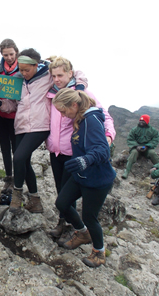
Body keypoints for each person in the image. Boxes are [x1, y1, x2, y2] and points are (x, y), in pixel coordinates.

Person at [45, 56, 116, 243]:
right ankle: (64, 222)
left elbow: (104, 116)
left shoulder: (82, 94)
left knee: (69, 194)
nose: (57, 79)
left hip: (72, 152)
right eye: (53, 76)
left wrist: (108, 136)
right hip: (56, 151)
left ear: (71, 74)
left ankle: (74, 228)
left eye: (60, 75)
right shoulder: (53, 94)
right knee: (61, 192)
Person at [52, 88, 116, 268]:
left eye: (64, 111)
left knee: (90, 217)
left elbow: (103, 150)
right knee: (62, 203)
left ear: (74, 104)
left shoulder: (91, 121)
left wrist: (85, 160)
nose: (63, 115)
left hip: (97, 179)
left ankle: (99, 252)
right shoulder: (80, 119)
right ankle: (82, 233)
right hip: (82, 175)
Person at [9, 48, 52, 214]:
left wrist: (80, 84)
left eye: (27, 69)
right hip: (21, 127)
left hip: (39, 126)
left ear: (36, 65)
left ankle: (17, 195)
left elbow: (74, 72)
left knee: (18, 158)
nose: (24, 73)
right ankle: (35, 202)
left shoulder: (47, 76)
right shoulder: (18, 80)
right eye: (21, 69)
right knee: (24, 162)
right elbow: (12, 105)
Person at [0, 39, 21, 193]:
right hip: (1, 115)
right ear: (1, 54)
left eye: (11, 54)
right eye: (6, 54)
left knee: (16, 148)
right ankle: (8, 177)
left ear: (16, 52)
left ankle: (18, 178)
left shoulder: (21, 68)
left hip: (16, 117)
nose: (9, 57)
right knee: (4, 147)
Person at [122, 114, 159, 179]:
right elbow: (130, 139)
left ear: (147, 122)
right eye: (140, 120)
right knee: (133, 153)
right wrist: (136, 146)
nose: (141, 122)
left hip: (147, 148)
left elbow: (155, 140)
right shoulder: (134, 130)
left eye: (143, 121)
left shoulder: (153, 131)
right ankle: (126, 171)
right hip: (136, 148)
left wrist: (147, 146)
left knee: (152, 153)